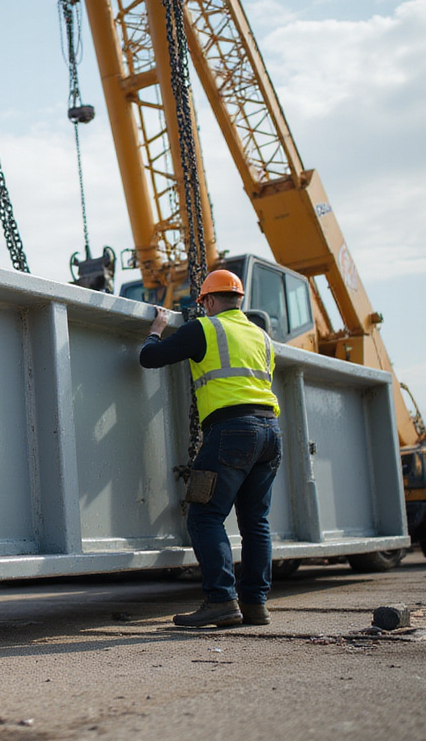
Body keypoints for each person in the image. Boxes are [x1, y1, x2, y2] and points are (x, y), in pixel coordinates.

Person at [139, 269, 282, 628]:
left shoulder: (205, 329)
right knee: (255, 523)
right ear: (239, 300)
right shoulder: (262, 338)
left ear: (210, 301)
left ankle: (221, 600)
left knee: (204, 515)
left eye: (202, 303)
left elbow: (150, 359)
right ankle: (255, 604)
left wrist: (155, 331)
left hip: (231, 433)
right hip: (269, 434)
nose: (201, 309)